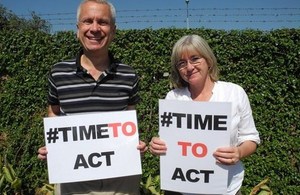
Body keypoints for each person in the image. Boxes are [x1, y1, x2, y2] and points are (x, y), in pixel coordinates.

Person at [37, 0, 147, 194]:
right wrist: (53, 144)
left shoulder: (129, 75)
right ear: (78, 28)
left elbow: (130, 118)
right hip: (73, 179)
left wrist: (134, 144)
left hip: (121, 180)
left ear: (113, 29)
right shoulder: (58, 73)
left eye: (102, 22)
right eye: (88, 21)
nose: (94, 28)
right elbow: (54, 113)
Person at [149, 35, 260, 195]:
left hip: (227, 189)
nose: (189, 67)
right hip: (180, 189)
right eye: (182, 63)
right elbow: (167, 141)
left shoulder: (234, 93)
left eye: (195, 59)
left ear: (208, 60)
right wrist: (157, 145)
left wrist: (239, 152)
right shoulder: (173, 97)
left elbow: (251, 138)